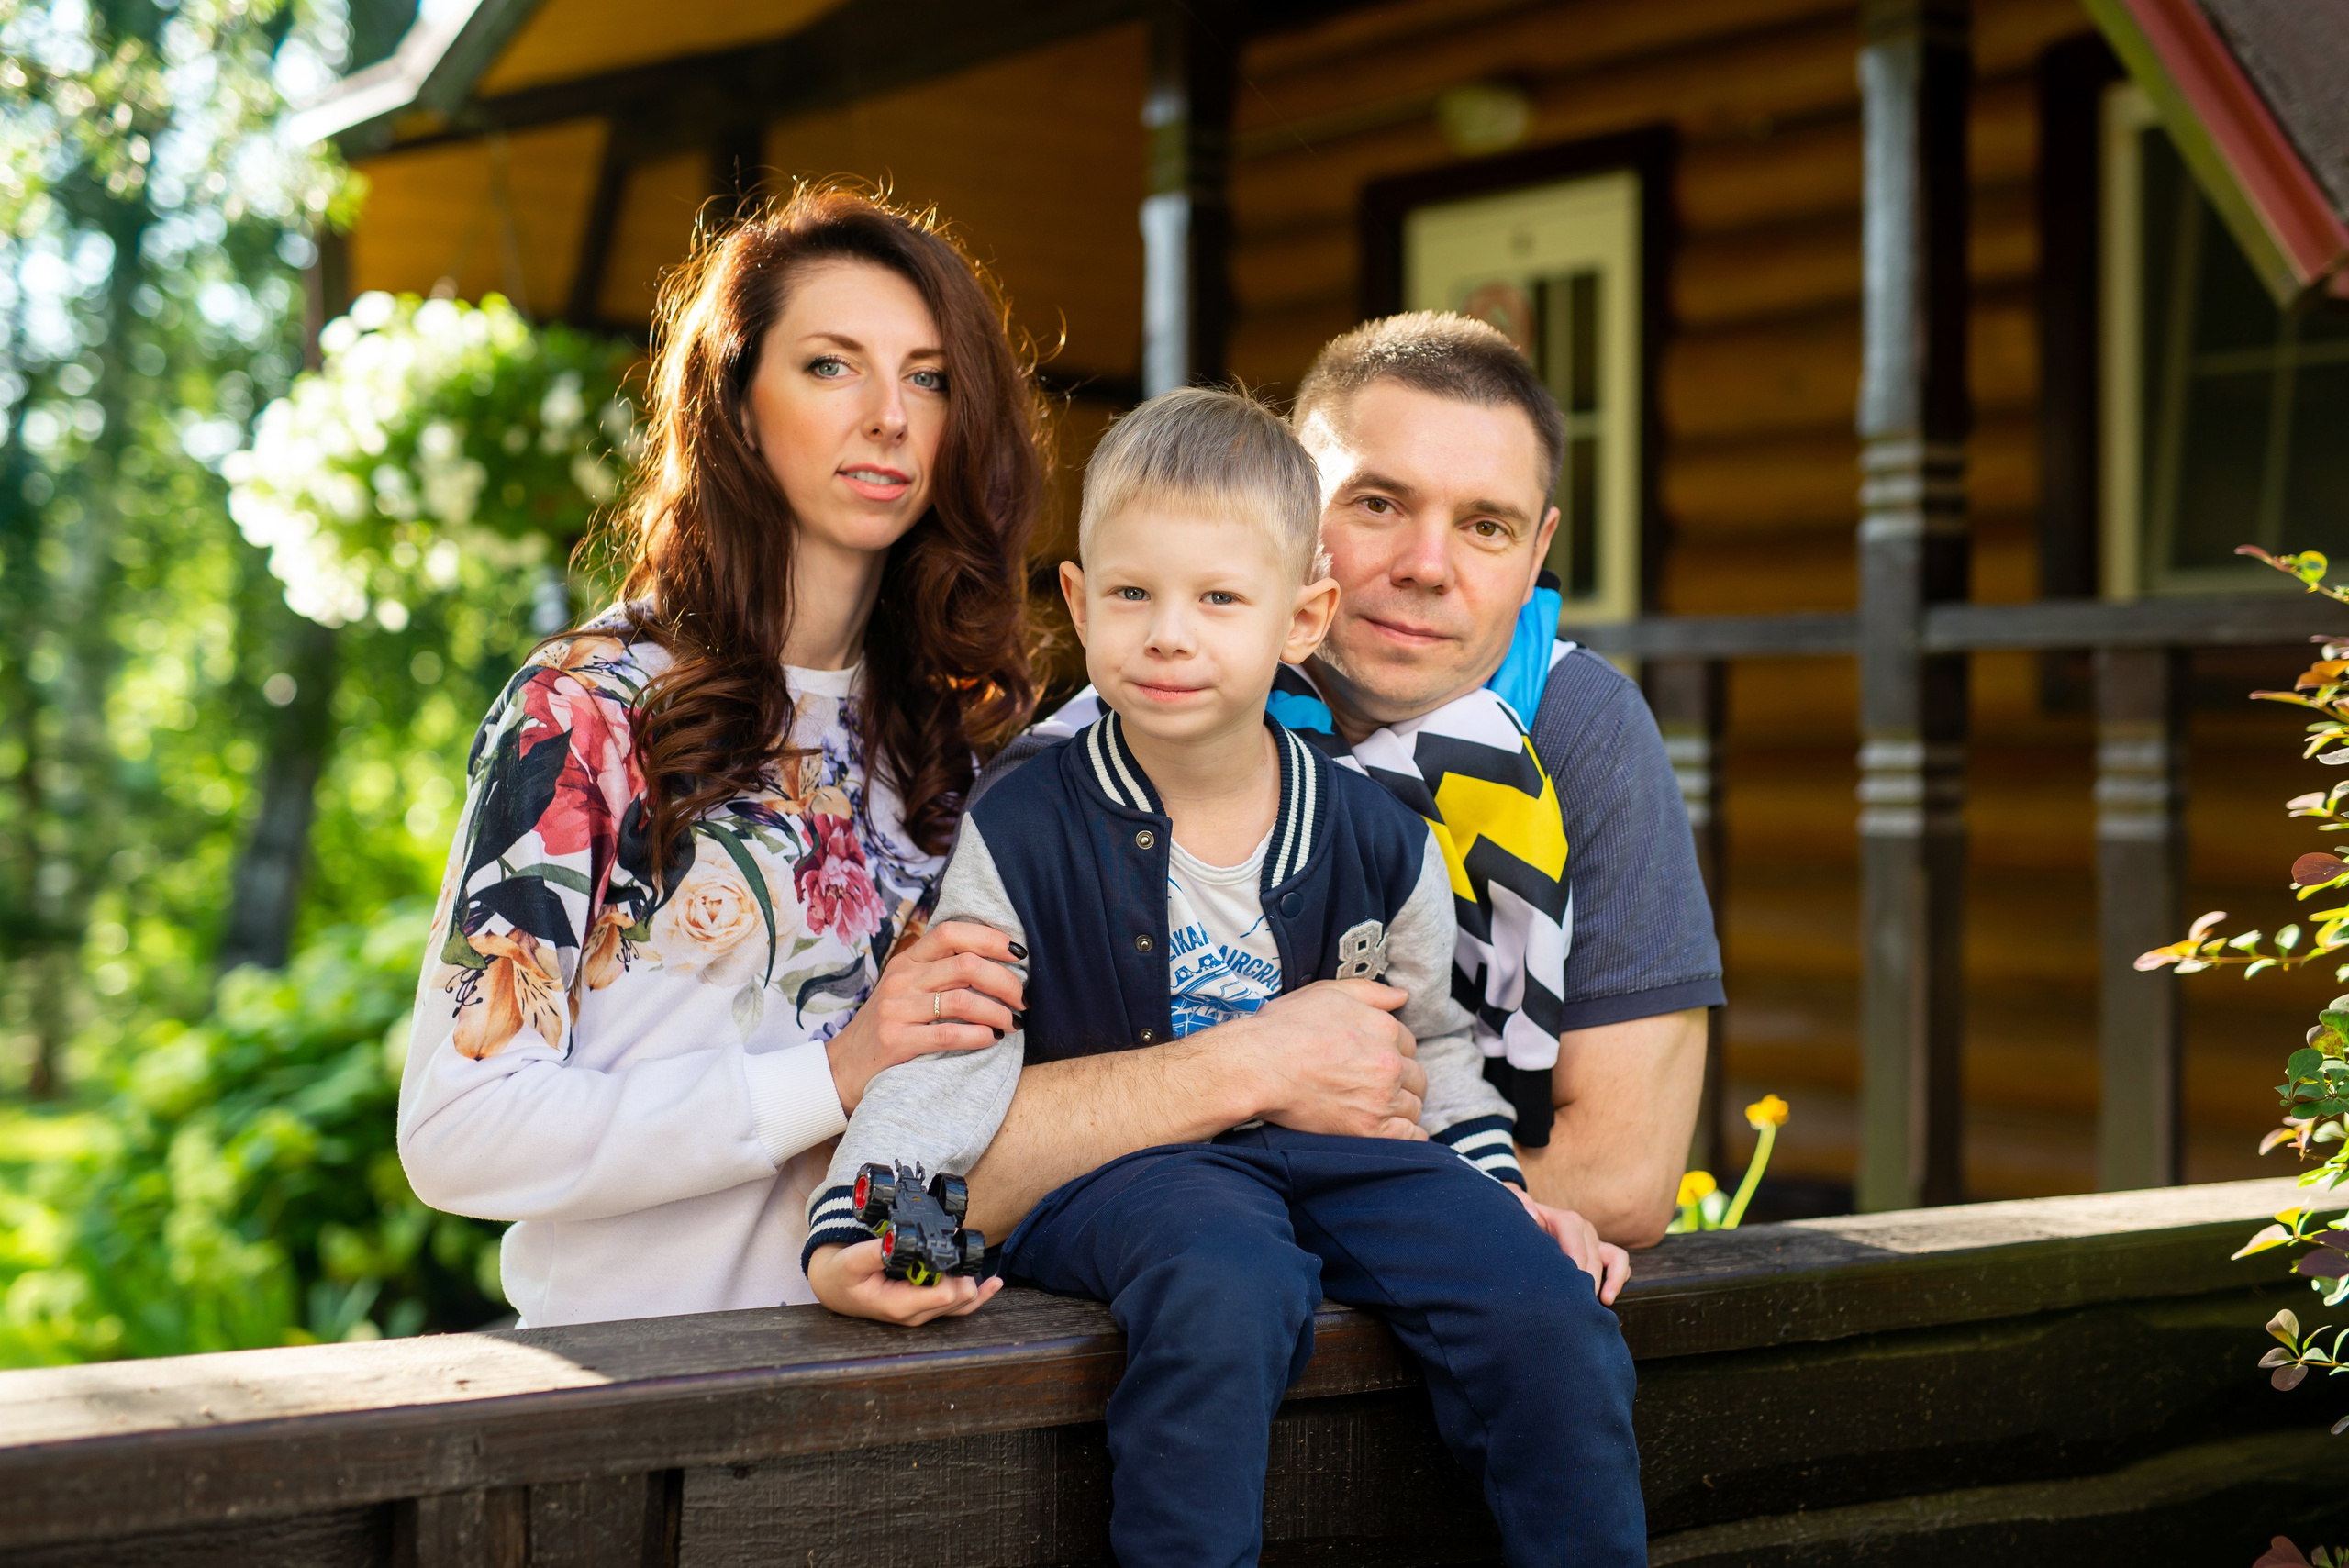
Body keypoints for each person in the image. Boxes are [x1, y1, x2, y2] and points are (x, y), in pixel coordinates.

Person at [806, 388, 1642, 1568]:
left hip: (1348, 1165)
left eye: (1218, 599)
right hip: (1132, 1181)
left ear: (1300, 616)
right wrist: (883, 1224)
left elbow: (1437, 1048)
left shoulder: (1376, 834)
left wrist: (1497, 1195)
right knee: (1226, 1281)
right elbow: (958, 1044)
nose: (1169, 634)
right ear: (1081, 602)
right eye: (1134, 594)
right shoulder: (1028, 823)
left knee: (1545, 1310)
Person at [394, 188, 1041, 1328]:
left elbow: (951, 1091)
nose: (891, 414)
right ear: (736, 407)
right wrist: (830, 1072)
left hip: (902, 1387)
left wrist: (929, 1271)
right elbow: (459, 1132)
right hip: (640, 1398)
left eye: (930, 376)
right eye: (832, 366)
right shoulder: (586, 709)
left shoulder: (954, 741)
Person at [958, 313, 1720, 1264]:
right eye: (1376, 504)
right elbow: (959, 1169)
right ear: (1287, 510)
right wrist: (1253, 1070)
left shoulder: (1579, 728)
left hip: (1442, 1293)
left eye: (1487, 526)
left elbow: (1625, 1175)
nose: (1426, 567)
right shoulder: (1076, 769)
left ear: (1536, 553)